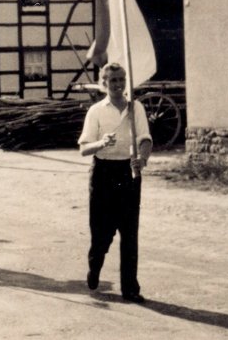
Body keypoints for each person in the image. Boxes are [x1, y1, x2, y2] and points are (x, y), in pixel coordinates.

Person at [78, 62, 152, 303]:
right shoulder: (96, 111)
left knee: (129, 234)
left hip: (128, 172)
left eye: (122, 79)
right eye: (113, 81)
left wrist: (142, 158)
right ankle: (95, 264)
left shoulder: (135, 108)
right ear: (104, 84)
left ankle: (130, 288)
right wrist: (101, 143)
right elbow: (84, 149)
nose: (118, 85)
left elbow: (145, 138)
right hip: (103, 174)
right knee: (102, 233)